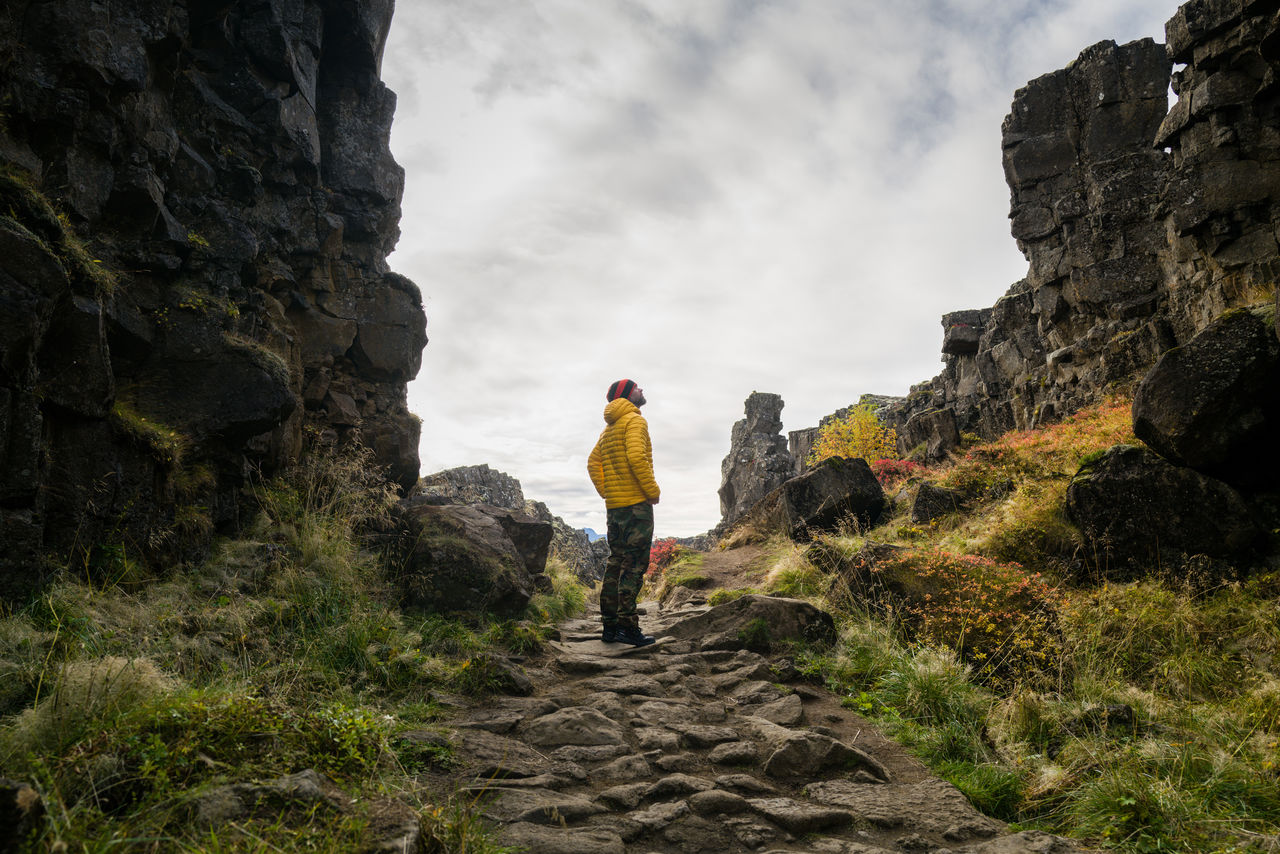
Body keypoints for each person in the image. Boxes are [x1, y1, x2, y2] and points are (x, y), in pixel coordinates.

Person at [587, 378, 660, 646]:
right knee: (633, 566)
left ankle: (609, 628)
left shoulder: (609, 428)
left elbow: (593, 462)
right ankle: (628, 628)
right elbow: (637, 457)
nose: (642, 389)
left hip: (615, 508)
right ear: (629, 394)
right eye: (637, 387)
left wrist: (608, 491)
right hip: (636, 508)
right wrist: (652, 491)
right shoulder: (634, 420)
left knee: (615, 562)